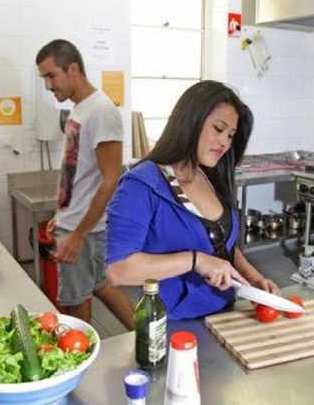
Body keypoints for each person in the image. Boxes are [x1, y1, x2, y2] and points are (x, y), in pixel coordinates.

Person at [105, 80, 280, 320]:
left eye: (230, 135)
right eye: (218, 129)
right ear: (190, 121)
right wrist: (195, 261)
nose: (224, 143)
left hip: (226, 317)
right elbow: (119, 269)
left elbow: (221, 243)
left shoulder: (211, 176)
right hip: (172, 326)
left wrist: (252, 279)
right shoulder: (141, 184)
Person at [36, 39, 136, 330]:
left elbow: (110, 179)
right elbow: (77, 172)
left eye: (51, 75)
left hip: (85, 228)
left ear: (73, 69)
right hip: (75, 221)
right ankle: (147, 336)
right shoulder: (79, 109)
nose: (47, 85)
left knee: (75, 300)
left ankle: (83, 363)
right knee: (100, 284)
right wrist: (62, 213)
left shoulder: (101, 111)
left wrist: (77, 234)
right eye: (44, 77)